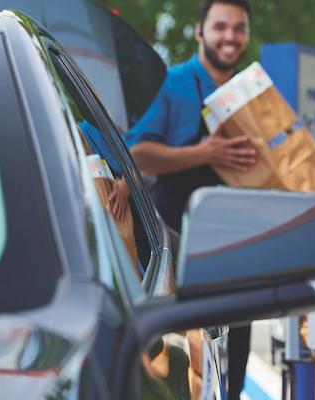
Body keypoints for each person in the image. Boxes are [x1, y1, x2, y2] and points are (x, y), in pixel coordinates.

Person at [124, 1, 254, 398]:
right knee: (182, 364)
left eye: (238, 28)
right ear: (199, 32)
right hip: (175, 241)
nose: (229, 36)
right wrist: (204, 153)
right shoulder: (172, 82)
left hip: (234, 246)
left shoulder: (252, 92)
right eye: (219, 27)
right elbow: (135, 153)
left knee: (235, 358)